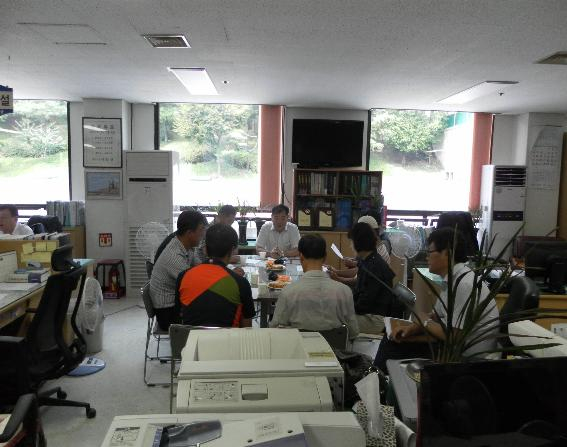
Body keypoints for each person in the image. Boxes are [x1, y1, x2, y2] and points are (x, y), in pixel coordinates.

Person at [374, 227, 499, 372]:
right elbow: (436, 316)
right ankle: (378, 379)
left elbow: (453, 336)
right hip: (453, 345)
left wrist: (423, 320)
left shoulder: (463, 284)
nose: (426, 257)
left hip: (466, 356)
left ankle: (377, 380)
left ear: (447, 253)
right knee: (394, 338)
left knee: (393, 346)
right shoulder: (453, 279)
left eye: (430, 252)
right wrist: (412, 328)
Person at [270, 234, 359, 338]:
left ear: (301, 257)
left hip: (300, 346)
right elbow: (353, 332)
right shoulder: (344, 291)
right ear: (325, 257)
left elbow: (275, 328)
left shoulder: (288, 292)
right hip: (333, 347)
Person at [178, 223, 255, 327]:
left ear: (205, 249)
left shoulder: (183, 276)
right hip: (227, 337)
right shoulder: (241, 283)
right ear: (232, 250)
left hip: (190, 337)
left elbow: (179, 315)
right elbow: (247, 327)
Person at [149, 209, 207, 331]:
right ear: (189, 233)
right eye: (201, 229)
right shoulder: (174, 256)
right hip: (167, 313)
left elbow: (200, 267)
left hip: (176, 304)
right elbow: (195, 284)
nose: (203, 234)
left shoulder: (186, 246)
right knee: (213, 311)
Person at [348, 222, 402, 334]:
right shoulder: (368, 261)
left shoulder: (374, 267)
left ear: (358, 242)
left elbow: (364, 304)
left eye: (351, 242)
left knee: (337, 321)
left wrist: (346, 308)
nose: (350, 246)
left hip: (375, 319)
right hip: (368, 313)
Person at [328, 215, 390, 286]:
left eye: (352, 242)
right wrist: (336, 272)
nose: (351, 246)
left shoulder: (374, 262)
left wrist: (338, 278)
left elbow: (358, 280)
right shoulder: (370, 257)